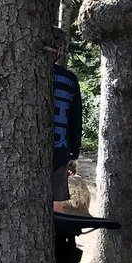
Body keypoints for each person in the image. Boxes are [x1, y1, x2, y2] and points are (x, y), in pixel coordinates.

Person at [51, 28, 82, 213]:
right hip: (60, 152)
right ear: (59, 51)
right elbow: (75, 120)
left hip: (26, 152)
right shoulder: (69, 79)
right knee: (57, 206)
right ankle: (58, 239)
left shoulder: (24, 75)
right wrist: (74, 155)